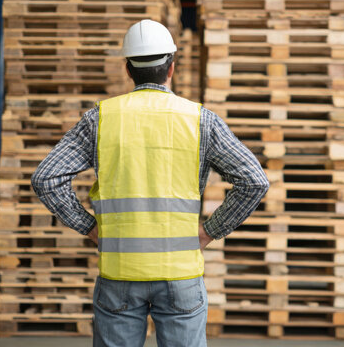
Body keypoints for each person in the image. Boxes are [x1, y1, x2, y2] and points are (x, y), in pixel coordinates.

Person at [31, 19, 269, 347]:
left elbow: (46, 178)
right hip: (181, 275)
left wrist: (88, 227)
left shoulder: (100, 119)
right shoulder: (201, 120)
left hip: (120, 274)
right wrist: (210, 231)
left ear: (128, 69)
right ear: (171, 68)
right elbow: (254, 182)